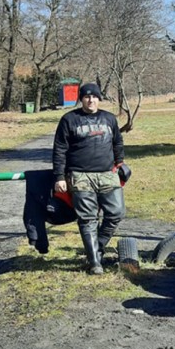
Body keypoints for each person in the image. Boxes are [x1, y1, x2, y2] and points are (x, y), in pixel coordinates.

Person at [52, 83, 126, 275]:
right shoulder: (69, 119)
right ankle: (94, 262)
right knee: (88, 219)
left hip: (107, 174)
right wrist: (59, 176)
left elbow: (117, 142)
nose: (90, 100)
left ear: (99, 98)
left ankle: (97, 247)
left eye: (94, 97)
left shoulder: (109, 119)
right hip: (80, 175)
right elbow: (59, 150)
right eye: (86, 97)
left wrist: (120, 163)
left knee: (116, 213)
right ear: (81, 99)